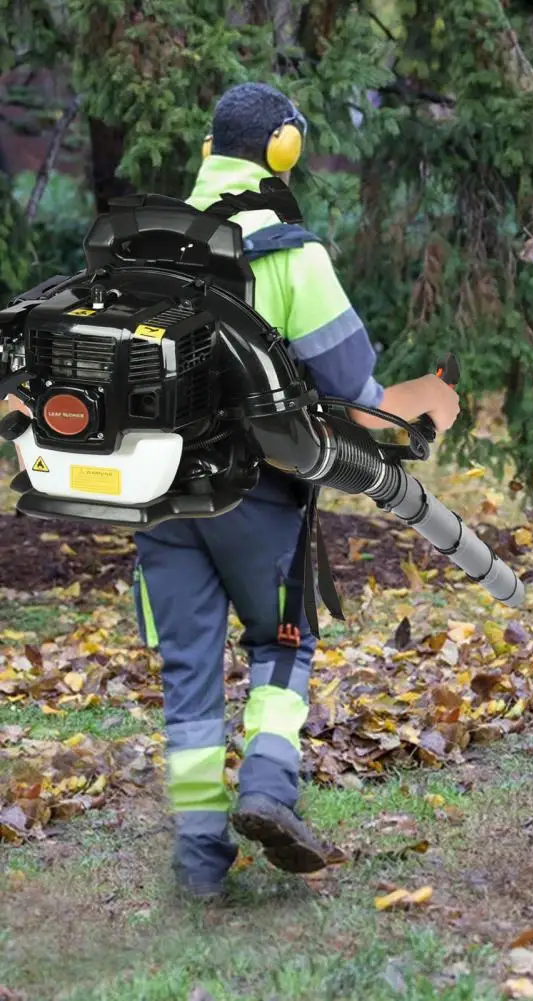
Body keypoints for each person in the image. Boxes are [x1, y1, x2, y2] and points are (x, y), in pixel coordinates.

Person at [8, 82, 460, 899]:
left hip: (154, 493)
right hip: (256, 494)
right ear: (283, 147)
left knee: (186, 669)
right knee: (281, 643)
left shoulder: (146, 242)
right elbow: (350, 379)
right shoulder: (292, 250)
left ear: (210, 149)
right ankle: (268, 786)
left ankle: (197, 858)